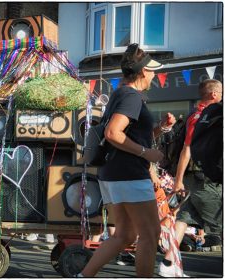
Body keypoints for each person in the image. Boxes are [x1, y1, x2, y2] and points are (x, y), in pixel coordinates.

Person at [76, 43, 175, 277]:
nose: (154, 74)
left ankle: (83, 275)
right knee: (150, 235)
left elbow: (129, 135)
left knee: (124, 235)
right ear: (142, 72)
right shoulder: (131, 96)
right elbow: (113, 133)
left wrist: (159, 129)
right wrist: (146, 153)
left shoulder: (121, 94)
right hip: (130, 174)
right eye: (151, 70)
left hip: (112, 175)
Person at [158, 79, 223, 277]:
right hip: (203, 178)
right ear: (213, 94)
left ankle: (168, 263)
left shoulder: (193, 114)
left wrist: (180, 180)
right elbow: (187, 148)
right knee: (220, 224)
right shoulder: (205, 116)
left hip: (190, 178)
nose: (222, 96)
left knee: (184, 218)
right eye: (221, 92)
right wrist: (177, 181)